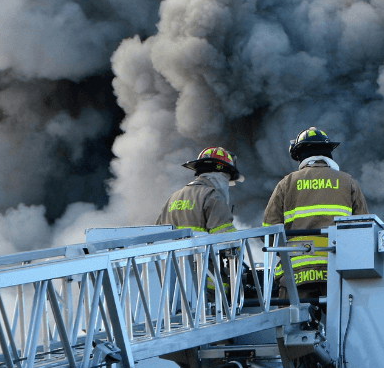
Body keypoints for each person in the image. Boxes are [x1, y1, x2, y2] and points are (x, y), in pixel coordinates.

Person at [262, 127, 368, 298]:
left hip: (295, 274)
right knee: (341, 323)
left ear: (300, 156)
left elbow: (268, 231)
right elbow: (363, 229)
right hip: (337, 271)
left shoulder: (287, 183)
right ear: (328, 154)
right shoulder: (348, 182)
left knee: (295, 323)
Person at [156, 147, 244, 234]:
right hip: (199, 248)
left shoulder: (172, 198)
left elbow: (155, 236)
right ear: (220, 174)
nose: (226, 186)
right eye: (226, 178)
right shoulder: (213, 197)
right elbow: (228, 241)